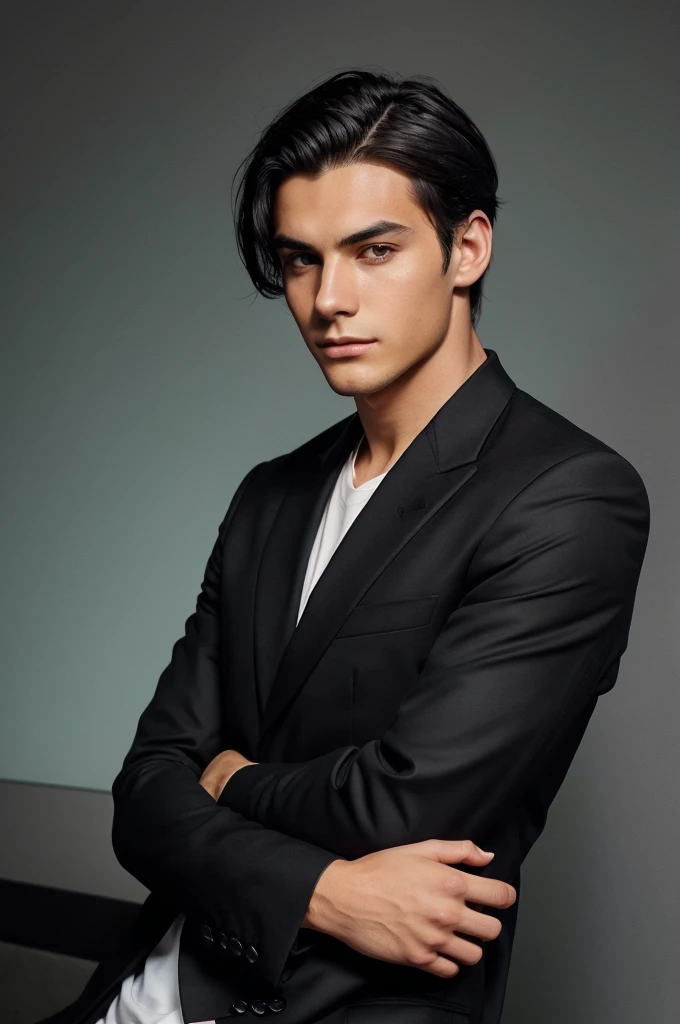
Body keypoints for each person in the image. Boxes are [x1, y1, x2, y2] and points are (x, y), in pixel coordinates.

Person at [40, 69, 650, 1024]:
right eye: (299, 261)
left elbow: (402, 808)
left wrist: (231, 778)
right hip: (128, 999)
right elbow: (144, 794)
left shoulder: (569, 496)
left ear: (467, 247)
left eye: (374, 250)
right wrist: (330, 891)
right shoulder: (271, 496)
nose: (329, 299)